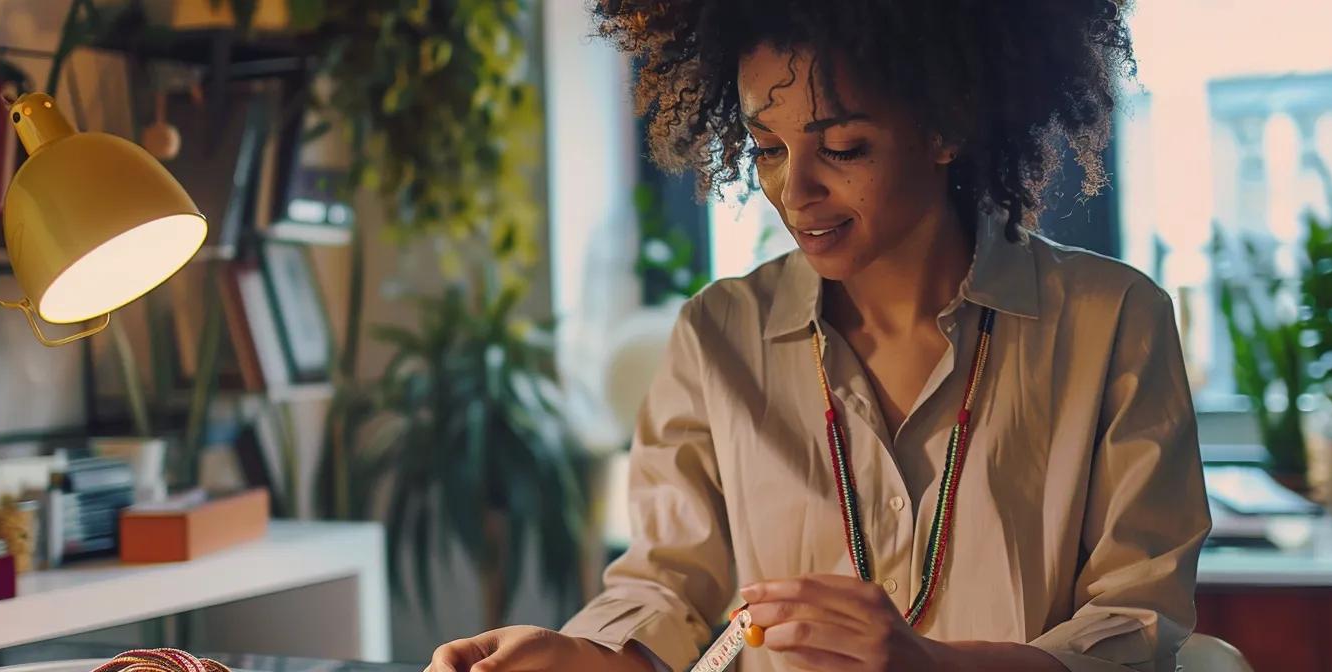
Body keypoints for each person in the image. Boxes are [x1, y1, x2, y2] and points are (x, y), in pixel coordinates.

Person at [432, 0, 1209, 670]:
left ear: (945, 126)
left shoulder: (1114, 324)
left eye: (842, 148)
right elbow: (666, 591)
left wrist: (938, 668)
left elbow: (1138, 631)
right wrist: (580, 658)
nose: (793, 191)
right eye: (768, 148)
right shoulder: (717, 338)